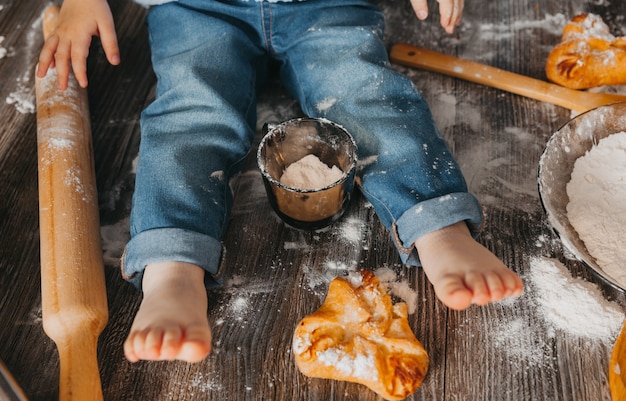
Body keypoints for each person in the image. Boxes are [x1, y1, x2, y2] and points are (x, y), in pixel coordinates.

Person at [37, 0, 523, 363]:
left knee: (366, 96)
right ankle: (172, 270)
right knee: (191, 118)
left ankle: (437, 225)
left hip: (326, 7)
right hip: (199, 9)